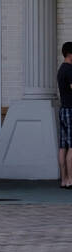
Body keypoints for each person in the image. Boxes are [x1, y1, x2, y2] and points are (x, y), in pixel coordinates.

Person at [58, 42, 72, 187]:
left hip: (63, 110)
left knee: (63, 146)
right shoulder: (69, 70)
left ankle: (64, 180)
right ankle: (71, 180)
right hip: (71, 110)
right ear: (70, 54)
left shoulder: (61, 69)